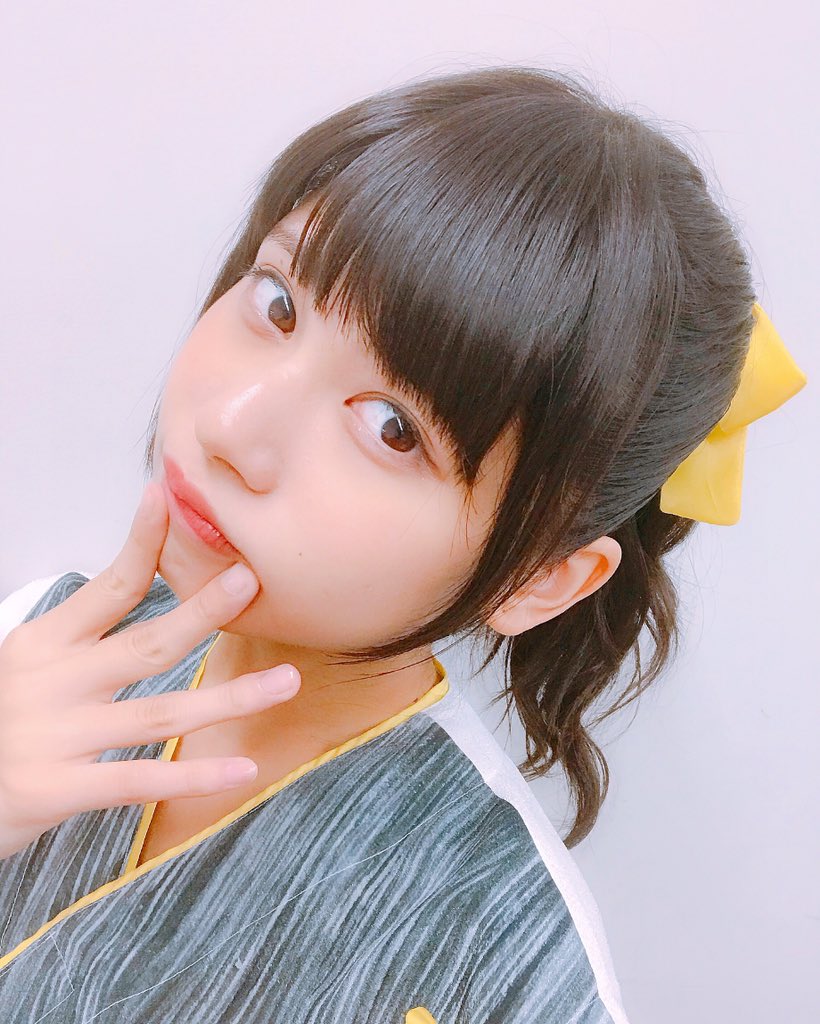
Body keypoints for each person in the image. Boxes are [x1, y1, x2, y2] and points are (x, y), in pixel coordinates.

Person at [0, 66, 806, 1023]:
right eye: (278, 303)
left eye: (391, 428)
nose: (234, 426)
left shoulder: (506, 961)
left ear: (540, 577)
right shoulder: (39, 642)